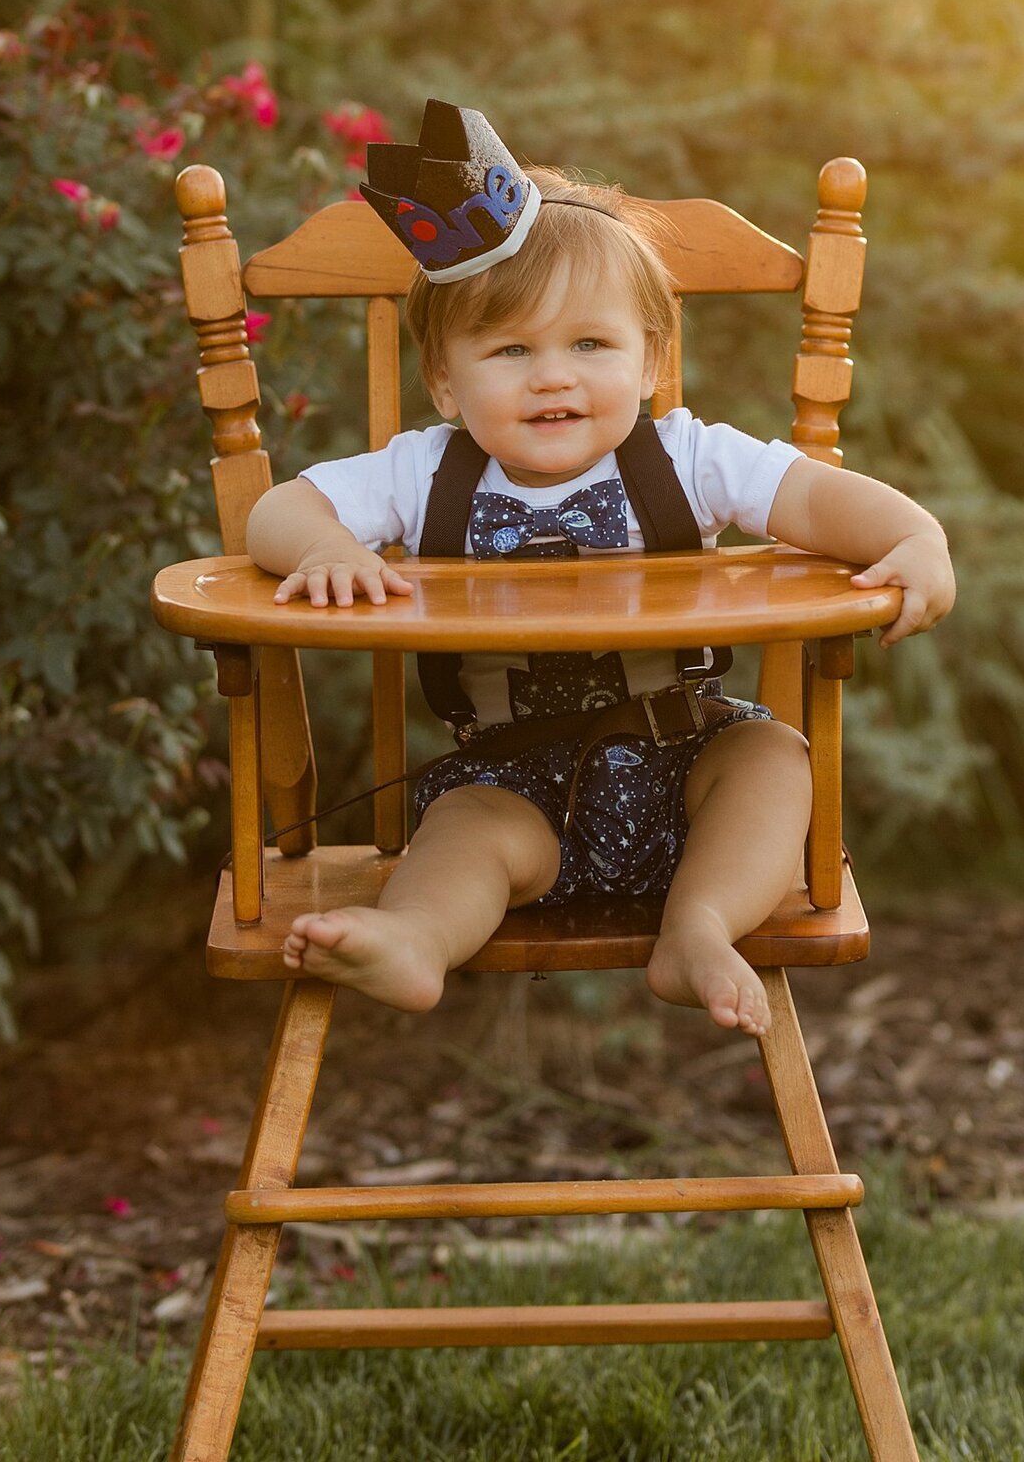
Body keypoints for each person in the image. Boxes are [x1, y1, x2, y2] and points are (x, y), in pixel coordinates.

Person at [246, 101, 955, 1037]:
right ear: (448, 381)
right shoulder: (424, 473)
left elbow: (817, 499)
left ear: (650, 356)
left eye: (590, 343)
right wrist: (332, 548)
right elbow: (275, 511)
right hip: (514, 784)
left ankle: (697, 927)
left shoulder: (687, 459)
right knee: (465, 834)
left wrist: (914, 535)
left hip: (684, 761)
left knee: (774, 759)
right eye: (511, 350)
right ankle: (415, 939)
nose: (554, 376)